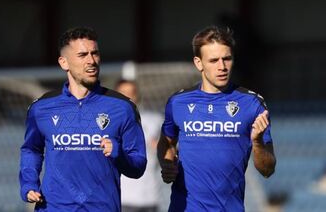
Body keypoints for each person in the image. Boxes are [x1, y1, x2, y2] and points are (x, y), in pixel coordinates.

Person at [19, 27, 147, 212]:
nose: (91, 61)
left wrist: (118, 154)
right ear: (64, 63)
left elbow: (138, 166)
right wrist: (29, 183)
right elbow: (31, 149)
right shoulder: (41, 108)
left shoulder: (122, 107)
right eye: (82, 55)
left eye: (94, 53)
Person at [157, 26, 276, 212]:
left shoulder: (252, 103)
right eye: (213, 60)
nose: (222, 67)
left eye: (227, 59)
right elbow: (167, 143)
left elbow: (267, 170)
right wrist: (167, 163)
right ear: (198, 63)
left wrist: (258, 142)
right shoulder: (178, 102)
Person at [115, 79, 163, 212]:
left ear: (138, 95)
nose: (128, 96)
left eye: (132, 93)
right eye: (123, 92)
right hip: (124, 198)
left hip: (151, 197)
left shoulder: (154, 120)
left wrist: (161, 148)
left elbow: (171, 151)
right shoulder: (109, 123)